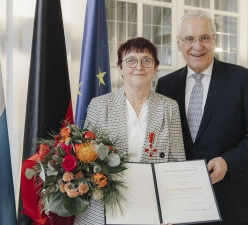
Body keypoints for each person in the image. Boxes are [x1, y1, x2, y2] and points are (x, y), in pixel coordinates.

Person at [155, 11, 248, 225]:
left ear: (214, 40)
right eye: (189, 39)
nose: (197, 46)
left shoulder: (242, 79)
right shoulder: (166, 85)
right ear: (179, 43)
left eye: (204, 38)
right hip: (179, 203)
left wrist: (228, 162)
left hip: (228, 203)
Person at [74, 37, 185, 225]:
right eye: (131, 60)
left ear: (156, 66)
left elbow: (177, 164)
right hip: (104, 209)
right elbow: (85, 161)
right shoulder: (99, 105)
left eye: (146, 60)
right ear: (120, 68)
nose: (139, 66)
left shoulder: (169, 107)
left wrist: (170, 212)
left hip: (152, 210)